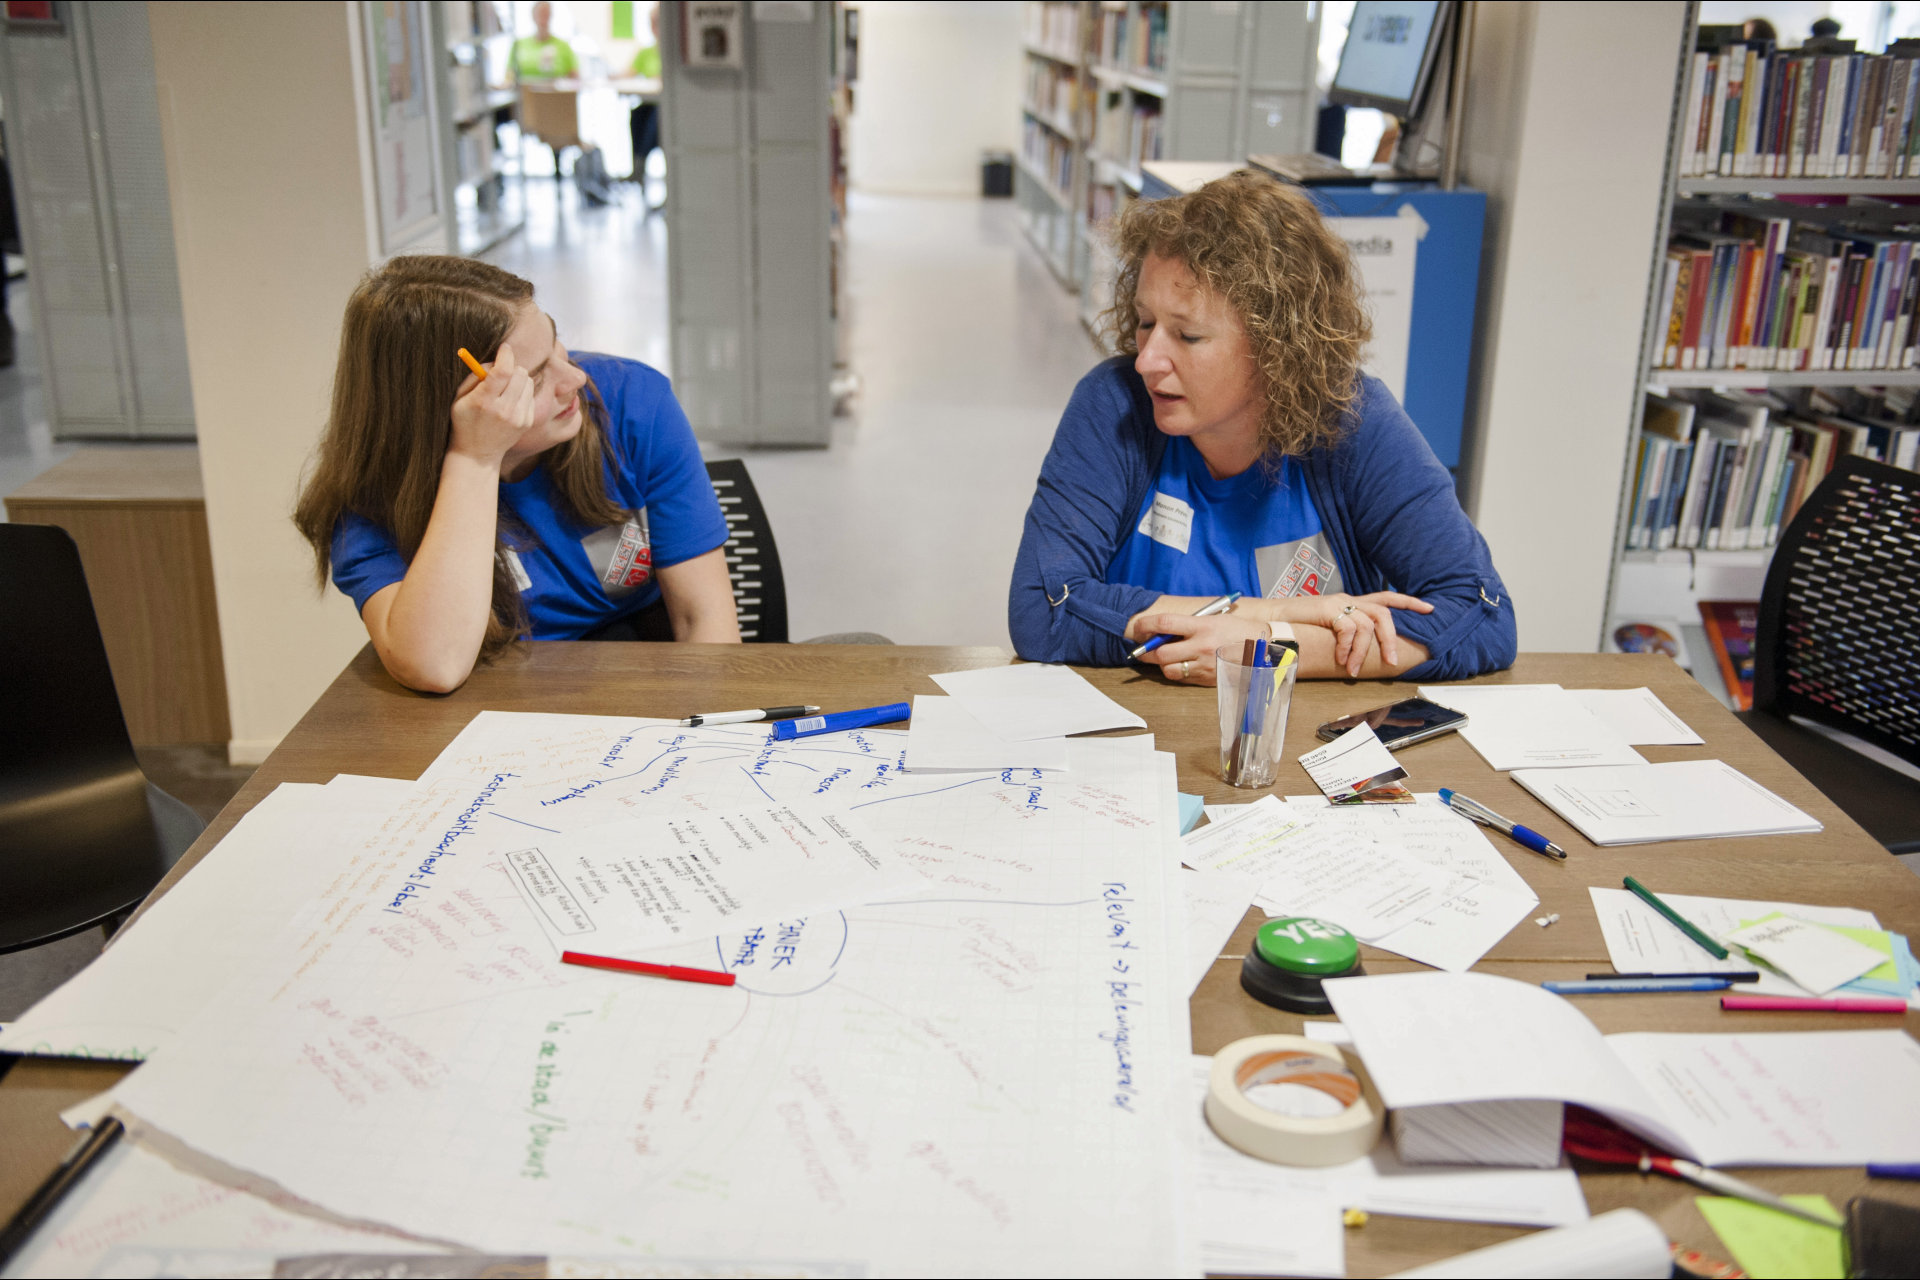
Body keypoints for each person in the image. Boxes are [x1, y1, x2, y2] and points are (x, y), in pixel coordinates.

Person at [1008, 171, 1516, 686]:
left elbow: (1483, 615)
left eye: (1187, 335)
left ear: (1277, 346)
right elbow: (1042, 607)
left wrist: (1272, 648)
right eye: (1144, 322)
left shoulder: (1354, 421)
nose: (1146, 360)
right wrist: (1269, 616)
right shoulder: (1114, 405)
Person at [294, 257, 739, 694]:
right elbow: (436, 665)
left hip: (643, 664)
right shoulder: (371, 497)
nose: (576, 379)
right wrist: (475, 458)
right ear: (449, 405)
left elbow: (705, 621)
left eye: (557, 345)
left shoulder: (633, 401)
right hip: (493, 695)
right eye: (537, 377)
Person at [628, 3, 662, 183]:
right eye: (652, 23)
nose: (655, 27)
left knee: (656, 119)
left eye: (657, 22)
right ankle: (638, 166)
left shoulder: (671, 52)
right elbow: (628, 73)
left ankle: (640, 163)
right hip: (649, 103)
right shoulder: (646, 52)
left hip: (666, 106)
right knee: (637, 115)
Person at [511, 1, 577, 81]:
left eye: (546, 14)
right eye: (540, 14)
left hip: (556, 91)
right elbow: (509, 76)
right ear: (533, 16)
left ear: (551, 15)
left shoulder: (564, 45)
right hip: (525, 91)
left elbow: (575, 77)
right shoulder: (518, 44)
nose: (543, 18)